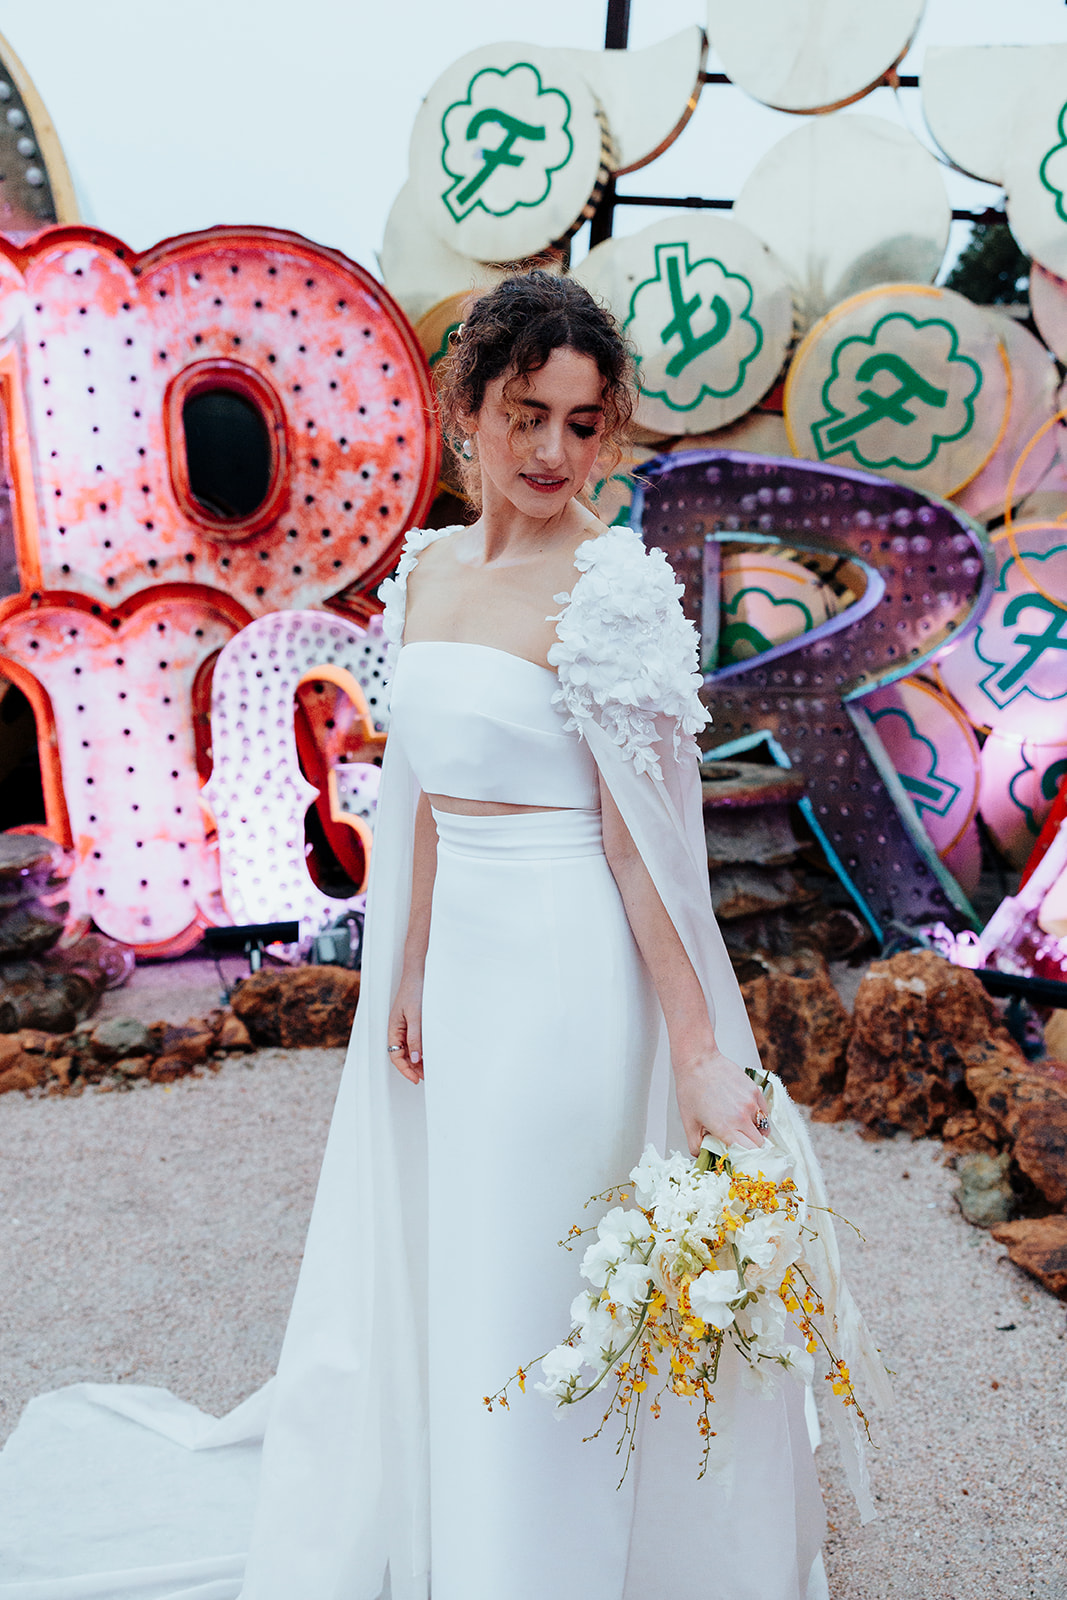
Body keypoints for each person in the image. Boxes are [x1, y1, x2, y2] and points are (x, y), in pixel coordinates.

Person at [0, 272, 886, 1600]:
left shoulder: (614, 592)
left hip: (569, 971)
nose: (549, 452)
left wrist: (700, 1051)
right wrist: (400, 968)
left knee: (538, 1262)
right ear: (468, 405)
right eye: (527, 414)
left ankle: (540, 1558)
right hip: (454, 967)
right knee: (456, 1253)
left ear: (611, 430)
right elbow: (408, 787)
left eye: (584, 425)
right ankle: (458, 1526)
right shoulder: (427, 568)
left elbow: (652, 856)